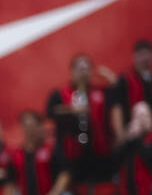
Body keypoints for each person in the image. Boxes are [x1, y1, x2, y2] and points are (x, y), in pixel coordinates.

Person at [47, 53, 113, 183]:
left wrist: (110, 77)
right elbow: (50, 112)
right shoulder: (59, 94)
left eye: (86, 69)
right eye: (79, 69)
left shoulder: (100, 92)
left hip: (98, 152)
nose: (83, 73)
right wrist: (72, 109)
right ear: (71, 71)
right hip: (70, 155)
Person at [5, 109, 71, 195]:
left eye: (33, 125)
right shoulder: (16, 155)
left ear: (40, 126)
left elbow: (65, 174)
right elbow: (10, 184)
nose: (30, 130)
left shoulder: (52, 150)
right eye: (26, 126)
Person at [110, 40, 152, 146]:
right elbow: (117, 107)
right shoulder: (124, 80)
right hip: (133, 132)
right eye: (141, 55)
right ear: (134, 57)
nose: (145, 58)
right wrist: (120, 133)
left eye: (147, 54)